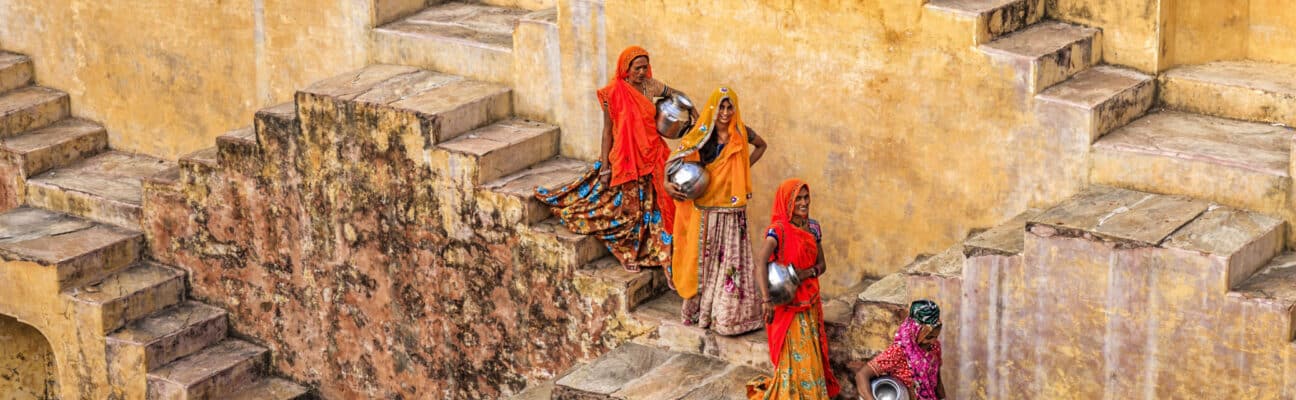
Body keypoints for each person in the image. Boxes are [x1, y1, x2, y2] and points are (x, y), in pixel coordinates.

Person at [534, 46, 692, 270]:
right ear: (625, 69)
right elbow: (607, 131)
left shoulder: (651, 85)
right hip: (627, 157)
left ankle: (657, 253)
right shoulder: (612, 93)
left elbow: (676, 95)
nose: (641, 72)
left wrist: (691, 109)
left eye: (644, 67)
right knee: (627, 213)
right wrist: (606, 167)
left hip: (652, 155)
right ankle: (626, 254)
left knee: (651, 211)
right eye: (637, 68)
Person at [665, 86, 768, 335]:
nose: (724, 111)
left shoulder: (741, 134)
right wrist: (666, 184)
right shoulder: (703, 134)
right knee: (705, 264)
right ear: (714, 108)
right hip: (707, 209)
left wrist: (742, 171)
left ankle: (729, 317)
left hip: (732, 211)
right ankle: (702, 313)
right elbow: (674, 160)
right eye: (720, 106)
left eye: (729, 106)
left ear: (735, 109)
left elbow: (762, 145)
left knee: (731, 263)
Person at [747, 179, 840, 399]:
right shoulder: (777, 231)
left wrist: (805, 274)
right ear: (787, 201)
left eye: (806, 197)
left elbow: (822, 265)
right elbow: (761, 262)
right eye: (798, 198)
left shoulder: (813, 227)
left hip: (809, 300)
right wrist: (766, 300)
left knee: (812, 352)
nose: (804, 202)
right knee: (796, 353)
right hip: (787, 304)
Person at [855, 300, 946, 400]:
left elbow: (937, 379)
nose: (933, 341)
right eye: (929, 337)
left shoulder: (934, 347)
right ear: (915, 330)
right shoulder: (899, 351)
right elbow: (862, 375)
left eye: (935, 336)